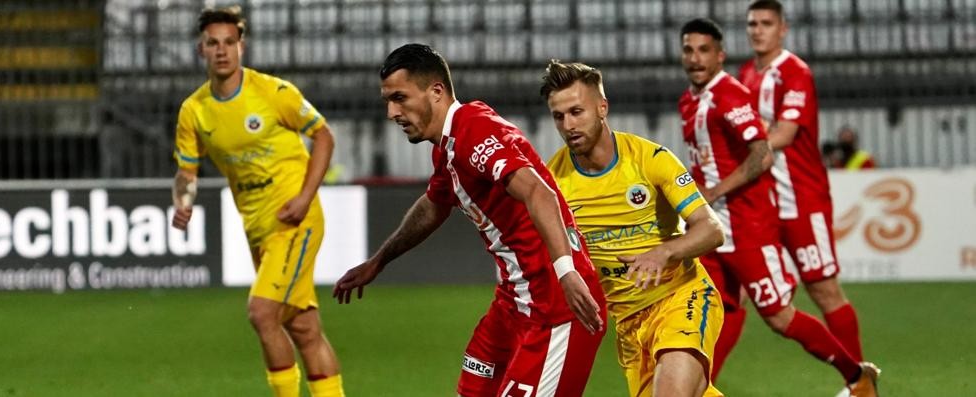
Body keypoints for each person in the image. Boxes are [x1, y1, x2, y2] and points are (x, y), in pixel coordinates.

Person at [332, 44, 607, 397]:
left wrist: (567, 271)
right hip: (513, 304)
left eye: (400, 98)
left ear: (436, 92)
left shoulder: (474, 130)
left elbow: (539, 193)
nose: (391, 112)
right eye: (388, 100)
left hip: (556, 306)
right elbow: (434, 204)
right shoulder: (446, 148)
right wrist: (378, 261)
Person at [678, 17, 878, 396]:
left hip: (750, 226)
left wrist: (716, 190)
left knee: (779, 315)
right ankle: (699, 390)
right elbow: (702, 160)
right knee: (713, 309)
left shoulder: (731, 95)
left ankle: (857, 376)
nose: (695, 58)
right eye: (689, 49)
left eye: (704, 50)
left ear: (719, 55)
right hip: (714, 229)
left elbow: (763, 154)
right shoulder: (688, 100)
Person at [170, 6, 344, 397]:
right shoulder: (194, 111)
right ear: (201, 50)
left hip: (296, 219)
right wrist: (183, 201)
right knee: (302, 327)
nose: (222, 51)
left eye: (229, 42)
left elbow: (324, 136)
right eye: (213, 43)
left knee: (262, 313)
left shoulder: (272, 92)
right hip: (257, 228)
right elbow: (187, 173)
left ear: (241, 47)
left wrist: (304, 196)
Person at [541, 60, 726, 397]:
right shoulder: (553, 182)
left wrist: (664, 252)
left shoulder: (649, 159)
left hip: (681, 297)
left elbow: (712, 229)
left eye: (577, 111)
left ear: (602, 108)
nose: (568, 124)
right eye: (559, 116)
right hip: (628, 325)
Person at [739, 1, 879, 394]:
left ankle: (859, 382)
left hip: (801, 199)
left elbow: (784, 133)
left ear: (782, 29)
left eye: (766, 23)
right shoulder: (747, 73)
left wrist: (743, 138)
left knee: (823, 289)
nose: (757, 30)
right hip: (760, 202)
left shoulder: (794, 71)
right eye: (752, 23)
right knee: (738, 290)